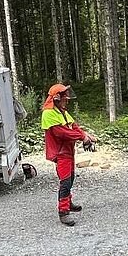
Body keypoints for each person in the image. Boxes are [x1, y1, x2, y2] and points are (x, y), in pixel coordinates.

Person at [41, 83, 97, 226]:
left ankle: (69, 202)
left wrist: (85, 135)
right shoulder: (48, 113)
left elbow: (73, 126)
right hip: (60, 152)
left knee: (70, 178)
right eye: (65, 96)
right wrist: (82, 137)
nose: (67, 98)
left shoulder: (62, 111)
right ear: (57, 97)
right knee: (65, 181)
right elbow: (62, 133)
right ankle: (63, 212)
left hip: (68, 151)